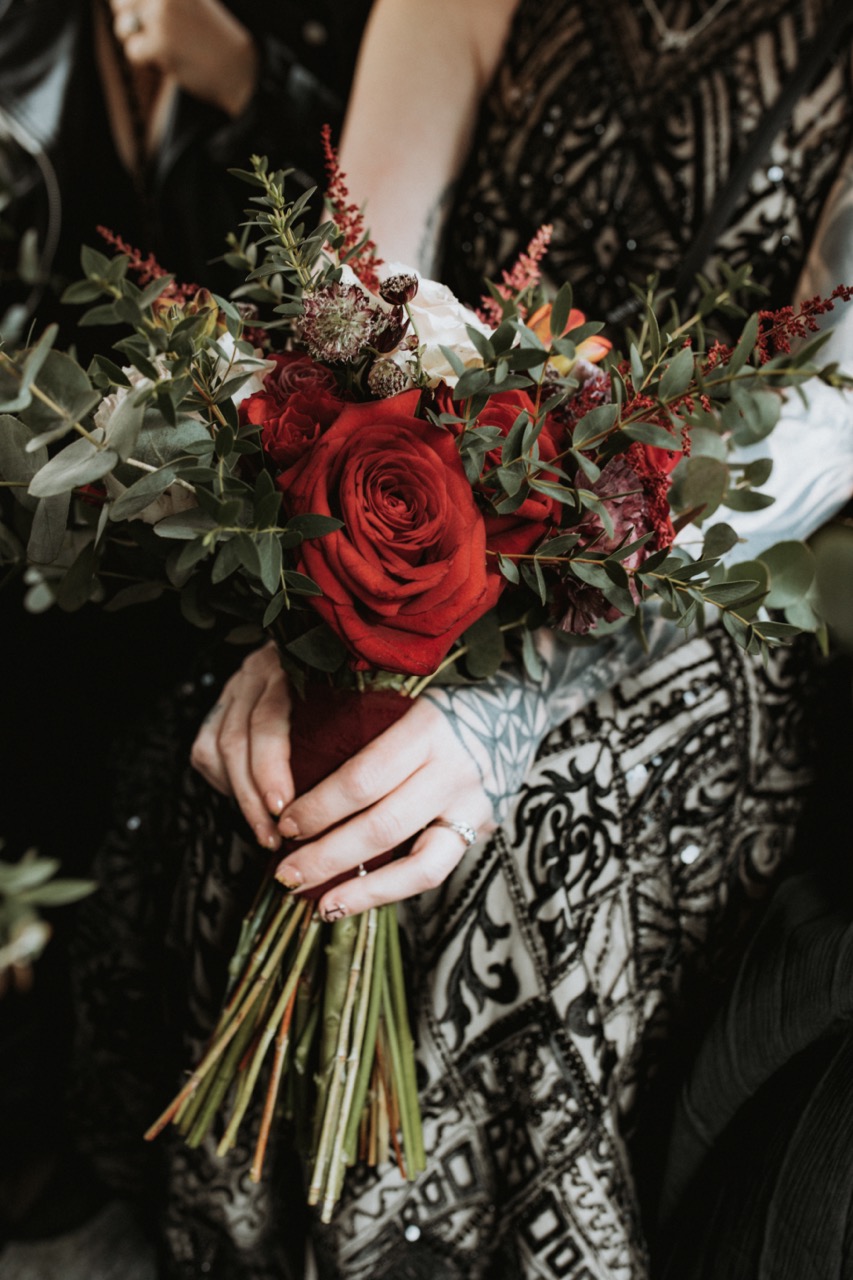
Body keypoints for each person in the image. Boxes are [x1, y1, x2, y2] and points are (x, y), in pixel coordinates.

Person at [70, 0, 853, 1276]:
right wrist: (321, 602)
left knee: (523, 838)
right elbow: (346, 306)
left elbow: (821, 413)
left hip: (723, 574)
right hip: (426, 503)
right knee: (285, 768)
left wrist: (511, 693)